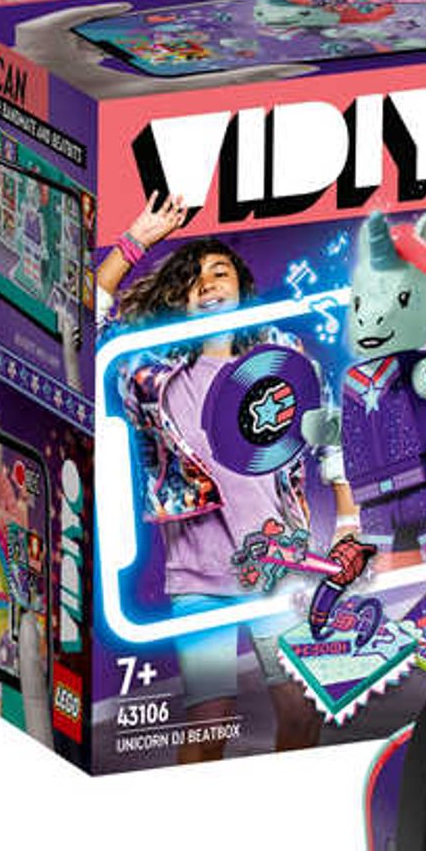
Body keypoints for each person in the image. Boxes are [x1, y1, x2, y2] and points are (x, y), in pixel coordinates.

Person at [99, 196, 358, 759]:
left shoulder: (280, 354)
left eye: (220, 272)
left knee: (301, 710)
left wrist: (347, 520)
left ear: (241, 286)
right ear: (179, 299)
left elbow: (328, 432)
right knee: (208, 725)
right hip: (199, 578)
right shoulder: (148, 370)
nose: (208, 283)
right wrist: (137, 239)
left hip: (279, 567)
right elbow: (88, 310)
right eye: (193, 279)